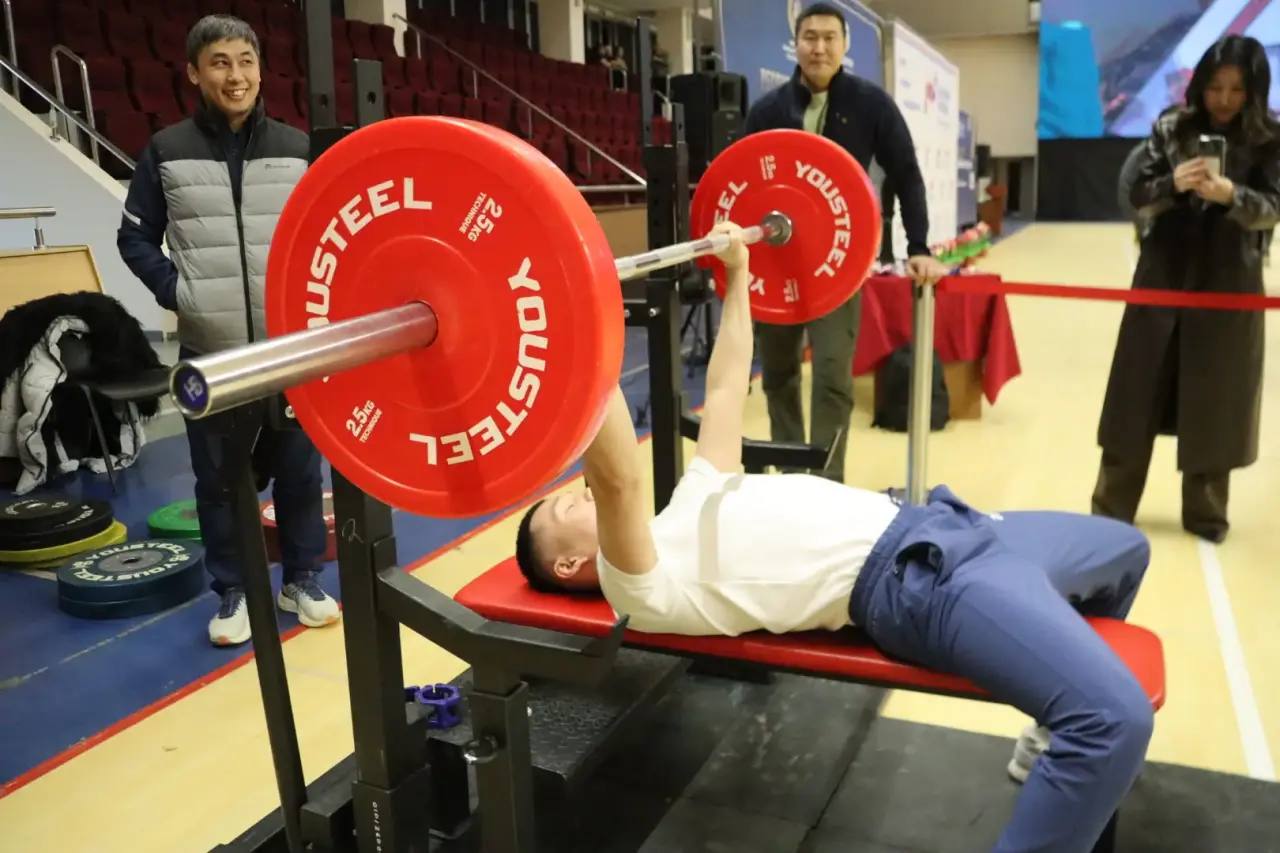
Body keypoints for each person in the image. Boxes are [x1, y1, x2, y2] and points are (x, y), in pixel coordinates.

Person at [516, 222, 1154, 853]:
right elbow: (619, 479)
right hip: (921, 582)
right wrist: (581, 325)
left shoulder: (694, 496)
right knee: (1111, 722)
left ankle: (1049, 733)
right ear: (570, 563)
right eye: (567, 505)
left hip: (948, 524)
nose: (582, 492)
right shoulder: (641, 586)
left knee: (1125, 551)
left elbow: (726, 384)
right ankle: (1073, 737)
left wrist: (738, 273)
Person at [117, 15, 339, 645]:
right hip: (211, 356)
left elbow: (325, 233)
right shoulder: (166, 150)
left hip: (288, 347)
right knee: (218, 481)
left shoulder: (297, 148)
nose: (235, 75)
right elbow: (134, 237)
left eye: (245, 61)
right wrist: (179, 293)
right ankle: (234, 591)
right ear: (194, 73)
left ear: (261, 70)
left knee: (299, 473)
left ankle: (302, 579)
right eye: (219, 62)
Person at [743, 2, 948, 483]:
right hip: (776, 264)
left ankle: (825, 483)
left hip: (838, 263)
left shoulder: (871, 104)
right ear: (796, 44)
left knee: (833, 374)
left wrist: (919, 246)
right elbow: (744, 180)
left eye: (829, 38)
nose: (819, 47)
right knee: (779, 375)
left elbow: (906, 174)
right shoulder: (768, 111)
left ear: (845, 45)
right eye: (810, 37)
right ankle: (791, 473)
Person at [1093, 35, 1280, 543]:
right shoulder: (1171, 127)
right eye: (1216, 87)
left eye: (1236, 89)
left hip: (1229, 283)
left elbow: (1273, 207)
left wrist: (1231, 195)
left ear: (1254, 90)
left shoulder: (1269, 139)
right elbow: (1137, 195)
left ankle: (1206, 516)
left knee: (1216, 403)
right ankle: (1109, 511)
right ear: (1200, 84)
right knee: (1134, 397)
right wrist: (1173, 184)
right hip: (1162, 274)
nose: (1224, 100)